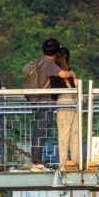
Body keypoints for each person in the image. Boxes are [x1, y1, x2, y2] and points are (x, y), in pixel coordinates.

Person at [23, 38, 68, 166]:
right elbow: (63, 74)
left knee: (39, 131)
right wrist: (72, 73)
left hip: (36, 101)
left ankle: (36, 159)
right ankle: (36, 161)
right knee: (42, 131)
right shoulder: (49, 63)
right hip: (45, 101)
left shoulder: (38, 62)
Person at [51, 47, 81, 169]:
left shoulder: (54, 73)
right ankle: (76, 163)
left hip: (63, 102)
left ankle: (63, 165)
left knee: (63, 135)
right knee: (75, 135)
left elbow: (54, 93)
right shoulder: (70, 73)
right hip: (75, 102)